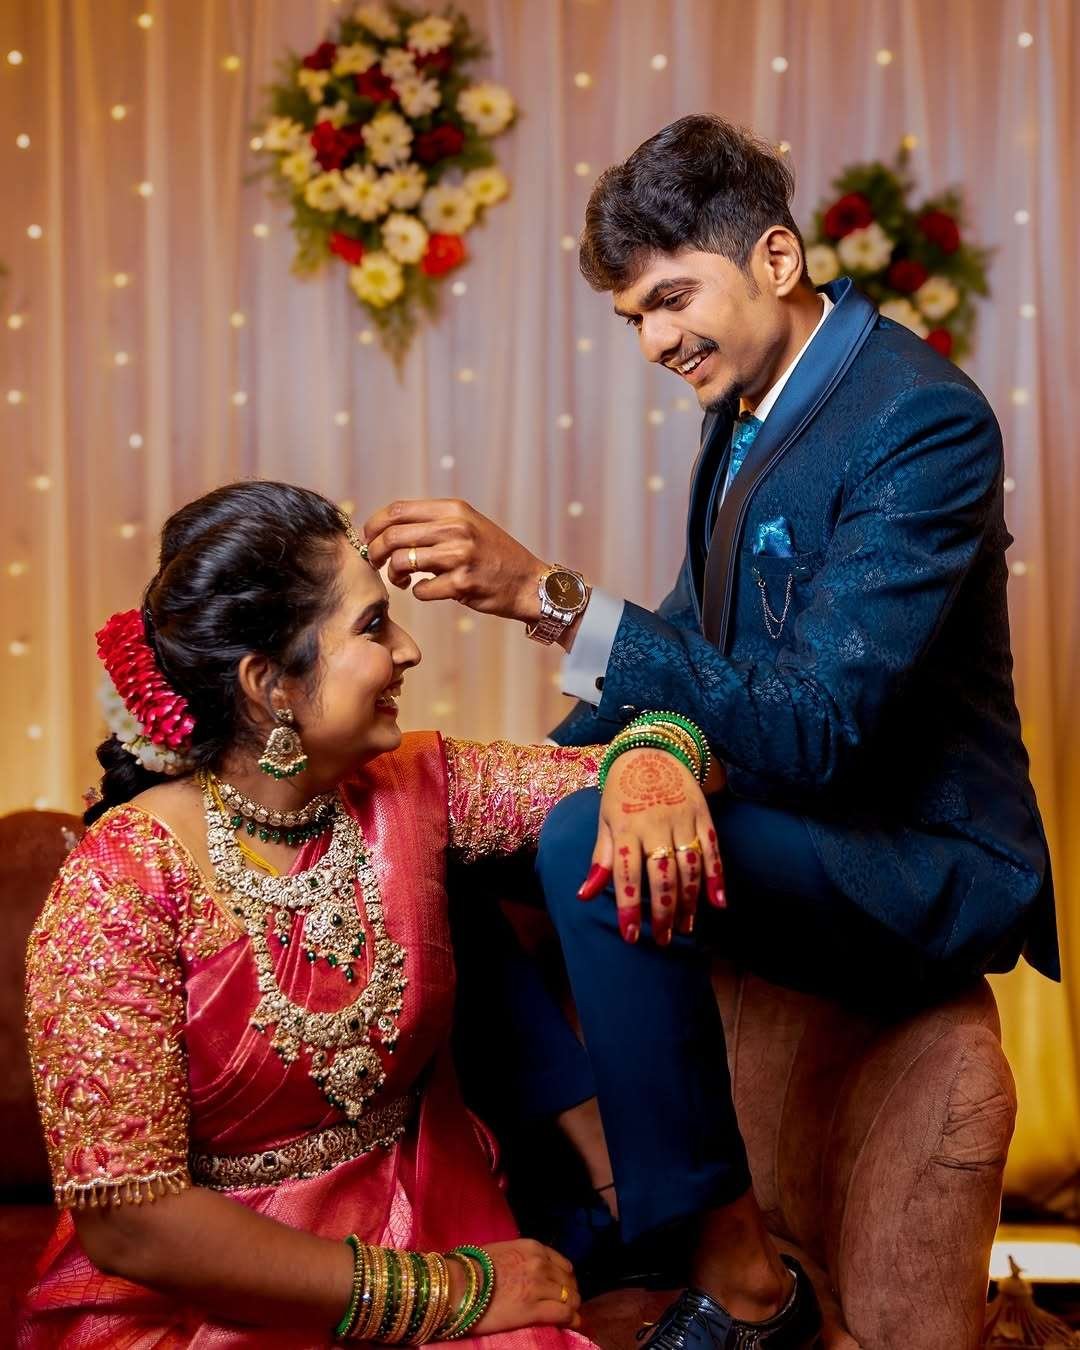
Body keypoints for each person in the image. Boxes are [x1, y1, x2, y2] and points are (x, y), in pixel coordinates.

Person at [361, 114, 1058, 1348]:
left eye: (672, 299)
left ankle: (743, 1282)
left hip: (916, 863)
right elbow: (701, 633)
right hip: (802, 819)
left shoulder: (922, 420)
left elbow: (818, 726)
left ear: (777, 260)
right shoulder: (746, 402)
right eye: (633, 315)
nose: (654, 340)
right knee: (452, 836)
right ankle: (588, 1214)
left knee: (584, 841)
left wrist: (544, 595)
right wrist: (540, 768)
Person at [19, 479, 724, 1348]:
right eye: (374, 627)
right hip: (208, 1297)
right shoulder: (121, 884)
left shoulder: (417, 788)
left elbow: (665, 759)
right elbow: (131, 1224)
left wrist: (655, 757)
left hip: (421, 1212)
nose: (409, 650)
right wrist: (447, 1293)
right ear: (270, 685)